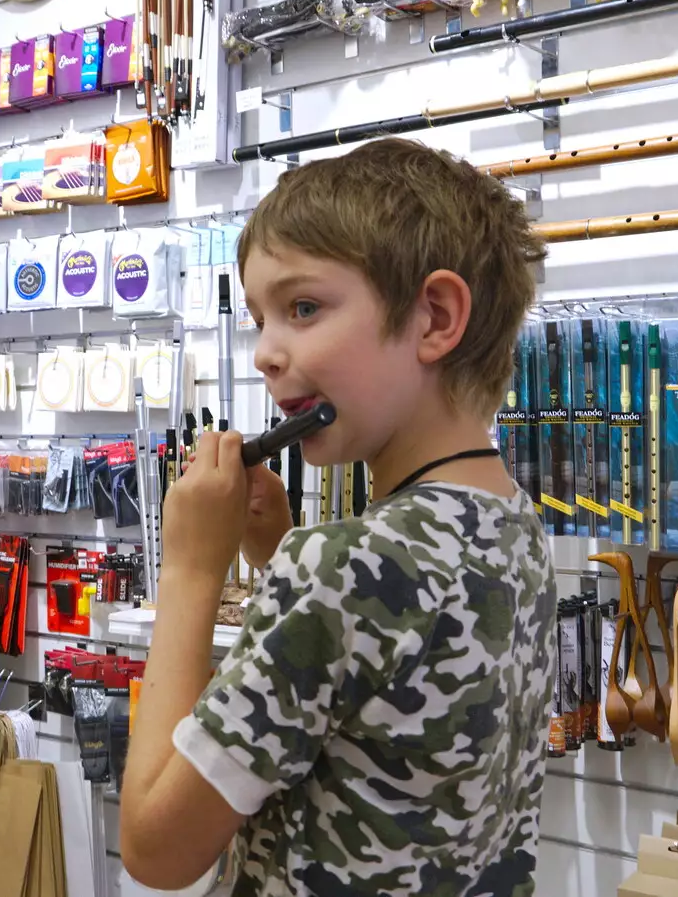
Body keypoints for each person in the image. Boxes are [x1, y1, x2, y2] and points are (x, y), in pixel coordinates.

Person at [119, 138, 557, 896]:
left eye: (303, 307)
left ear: (435, 316)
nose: (264, 352)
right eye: (260, 318)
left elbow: (155, 850)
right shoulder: (515, 523)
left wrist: (191, 568)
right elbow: (375, 716)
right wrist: (275, 555)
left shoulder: (339, 567)